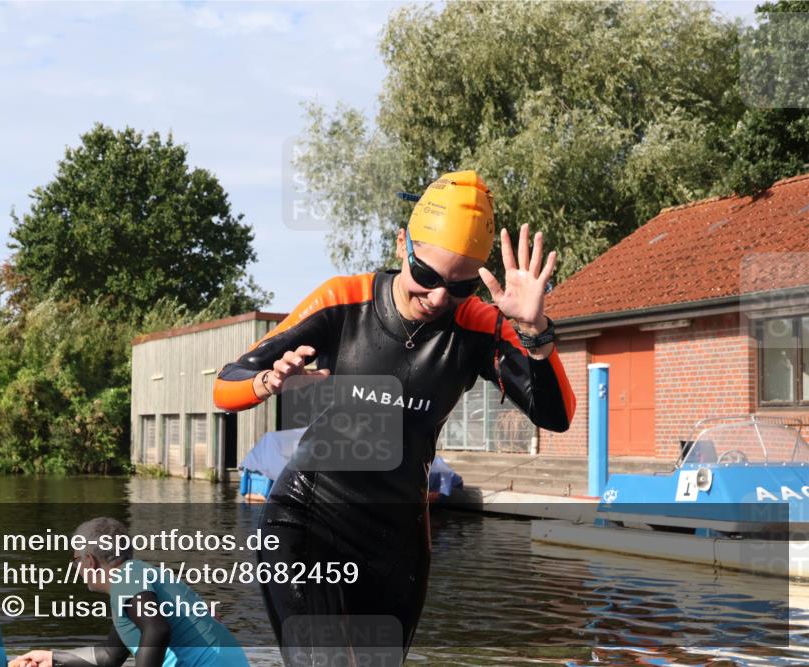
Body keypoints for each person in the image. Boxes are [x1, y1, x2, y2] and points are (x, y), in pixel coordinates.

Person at [213, 170, 576, 665]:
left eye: (461, 286)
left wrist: (534, 332)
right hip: (306, 519)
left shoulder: (478, 326)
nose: (438, 297)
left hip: (396, 542)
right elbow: (225, 384)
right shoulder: (345, 301)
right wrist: (265, 382)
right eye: (426, 275)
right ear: (403, 243)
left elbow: (555, 415)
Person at [9, 517, 248, 667]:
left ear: (89, 561)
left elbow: (157, 629)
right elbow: (109, 656)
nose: (75, 568)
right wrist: (52, 657)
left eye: (75, 560)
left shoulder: (127, 577)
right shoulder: (133, 583)